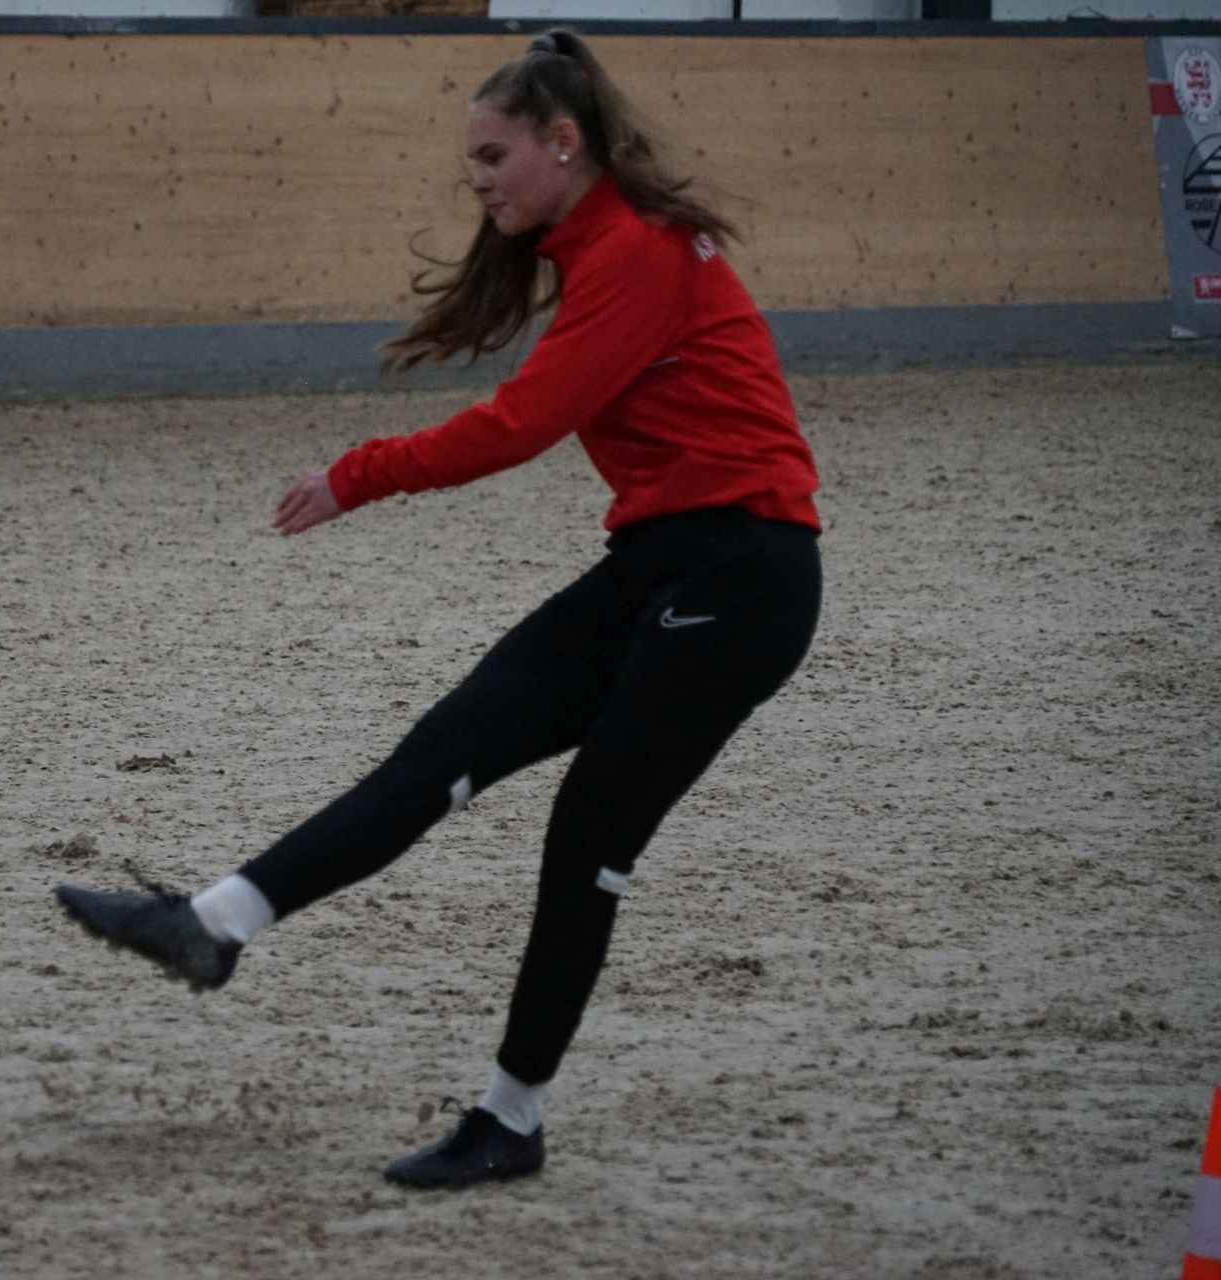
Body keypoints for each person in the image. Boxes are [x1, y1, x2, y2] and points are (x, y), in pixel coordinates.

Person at [55, 29, 823, 1190]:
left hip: (744, 579)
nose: (477, 181)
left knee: (588, 833)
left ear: (563, 143)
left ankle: (510, 1119)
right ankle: (211, 924)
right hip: (660, 563)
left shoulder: (638, 252)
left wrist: (358, 474)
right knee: (443, 750)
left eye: (492, 157)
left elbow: (521, 424)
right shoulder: (602, 244)